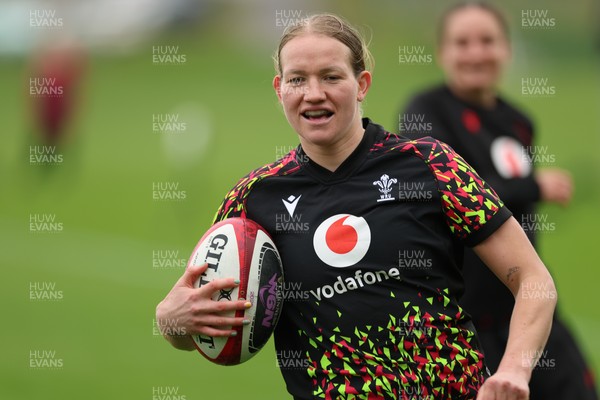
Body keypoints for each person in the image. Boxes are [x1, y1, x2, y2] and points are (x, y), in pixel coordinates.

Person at [157, 13, 557, 399]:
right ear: (279, 89)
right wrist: (170, 320)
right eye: (298, 79)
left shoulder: (431, 164)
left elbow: (534, 281)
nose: (314, 94)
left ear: (361, 83)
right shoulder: (253, 199)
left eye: (331, 76)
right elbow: (200, 324)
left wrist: (513, 372)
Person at [399, 3, 597, 399]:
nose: (476, 52)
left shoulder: (518, 120)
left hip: (530, 307)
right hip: (467, 319)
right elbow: (448, 192)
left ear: (506, 48)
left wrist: (529, 190)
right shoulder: (426, 112)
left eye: (487, 41)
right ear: (442, 53)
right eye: (462, 42)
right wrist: (533, 186)